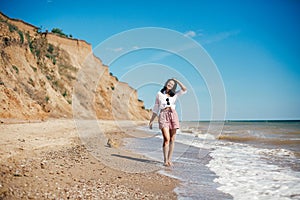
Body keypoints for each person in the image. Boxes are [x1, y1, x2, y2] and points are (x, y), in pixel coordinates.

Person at [149, 78, 187, 167]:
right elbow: (156, 108)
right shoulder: (159, 94)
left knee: (172, 139)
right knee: (167, 139)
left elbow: (184, 89)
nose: (170, 84)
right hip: (163, 115)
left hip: (173, 115)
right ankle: (165, 160)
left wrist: (177, 80)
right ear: (166, 83)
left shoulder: (175, 94)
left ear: (174, 86)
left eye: (172, 84)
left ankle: (169, 159)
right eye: (169, 83)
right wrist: (151, 120)